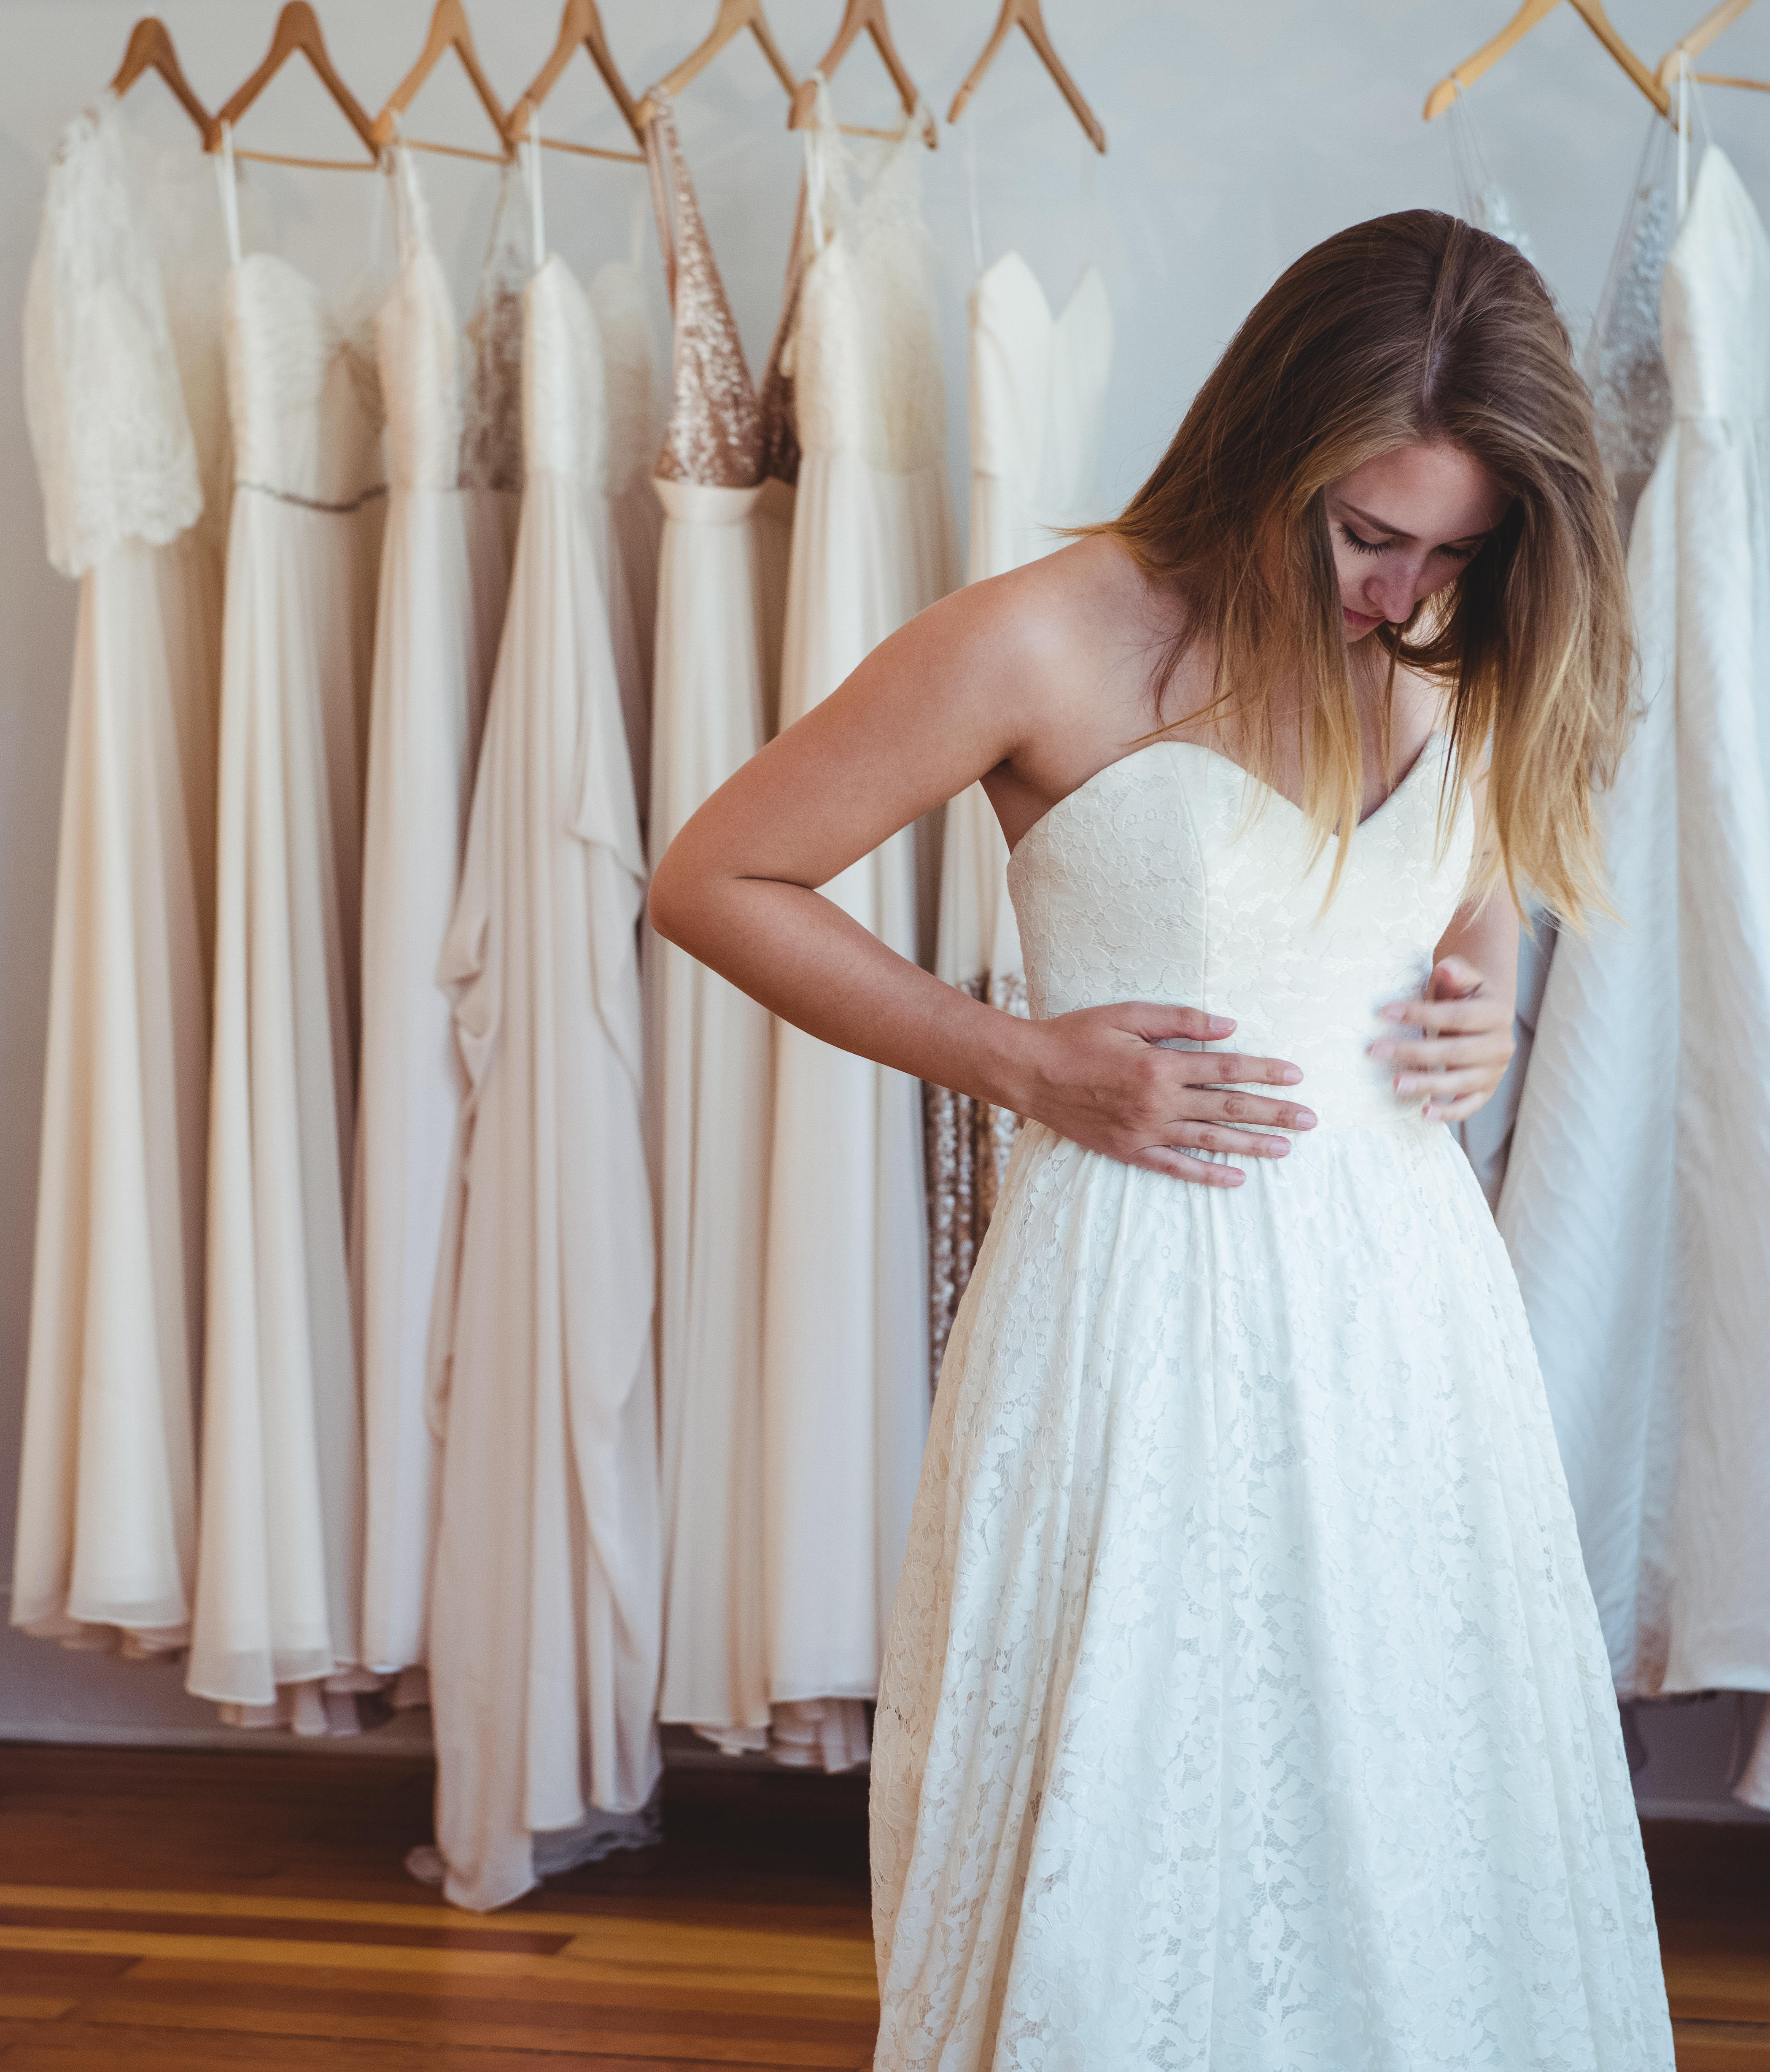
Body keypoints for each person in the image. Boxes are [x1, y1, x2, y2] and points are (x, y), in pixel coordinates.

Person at [650, 212, 1676, 2070]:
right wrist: (1020, 1062)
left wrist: (1480, 987)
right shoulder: (1052, 634)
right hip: (1148, 1299)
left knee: (1412, 1798)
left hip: (1409, 1312)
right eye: (1370, 534)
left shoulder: (1459, 631)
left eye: (1454, 549)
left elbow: (1471, 869)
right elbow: (714, 876)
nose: (1401, 591)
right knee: (1140, 1798)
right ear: (1273, 445)